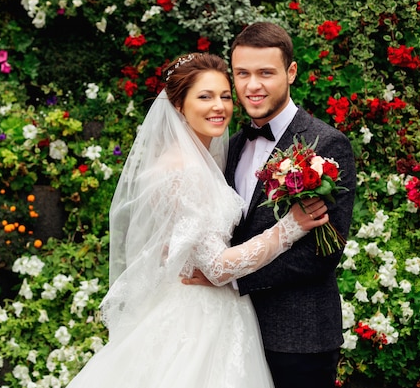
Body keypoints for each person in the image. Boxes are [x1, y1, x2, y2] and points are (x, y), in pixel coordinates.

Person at [66, 52, 330, 388]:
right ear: (178, 105)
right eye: (204, 97)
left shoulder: (210, 158)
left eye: (223, 96)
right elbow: (217, 267)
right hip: (197, 320)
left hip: (220, 313)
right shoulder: (182, 169)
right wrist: (290, 227)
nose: (218, 106)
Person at [183, 22, 357, 388]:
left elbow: (321, 254)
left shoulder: (326, 144)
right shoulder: (227, 145)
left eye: (266, 73)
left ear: (291, 72)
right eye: (242, 74)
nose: (252, 86)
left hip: (298, 336)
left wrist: (229, 280)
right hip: (227, 333)